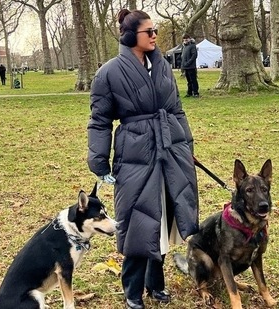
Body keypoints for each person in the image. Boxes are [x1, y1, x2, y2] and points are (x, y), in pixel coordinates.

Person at [87, 9, 199, 309]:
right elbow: (100, 121)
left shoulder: (162, 66)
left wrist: (186, 145)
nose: (154, 36)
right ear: (129, 35)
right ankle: (132, 293)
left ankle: (155, 284)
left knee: (162, 218)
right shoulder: (108, 72)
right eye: (148, 31)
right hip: (135, 153)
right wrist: (99, 160)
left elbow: (176, 109)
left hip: (170, 151)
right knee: (137, 223)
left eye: (155, 31)